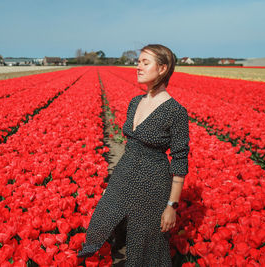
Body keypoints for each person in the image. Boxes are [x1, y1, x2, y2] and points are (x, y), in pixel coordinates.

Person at [77, 44, 190, 266]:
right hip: (123, 174)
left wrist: (171, 206)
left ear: (163, 68)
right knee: (99, 224)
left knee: (144, 245)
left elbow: (179, 160)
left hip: (152, 183)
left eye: (144, 63)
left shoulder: (175, 111)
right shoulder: (135, 102)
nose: (137, 67)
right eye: (138, 62)